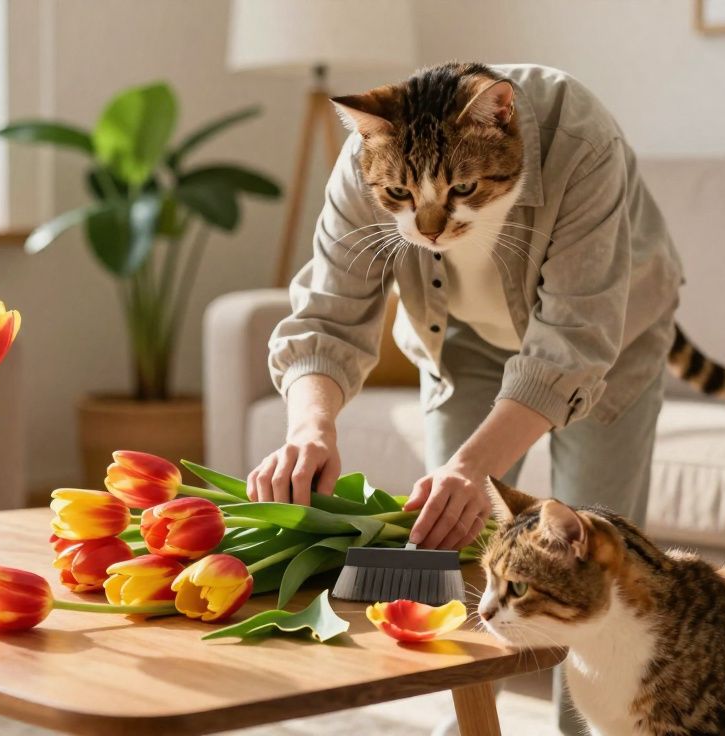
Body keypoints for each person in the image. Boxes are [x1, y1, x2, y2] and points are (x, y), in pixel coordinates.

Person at [251, 62, 687, 552]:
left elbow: (572, 343)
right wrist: (310, 429)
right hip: (463, 335)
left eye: (459, 190)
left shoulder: (579, 140)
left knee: (592, 553)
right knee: (452, 536)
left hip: (610, 335)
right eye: (401, 196)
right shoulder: (370, 152)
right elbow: (327, 317)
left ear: (502, 122)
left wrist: (472, 467)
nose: (430, 226)